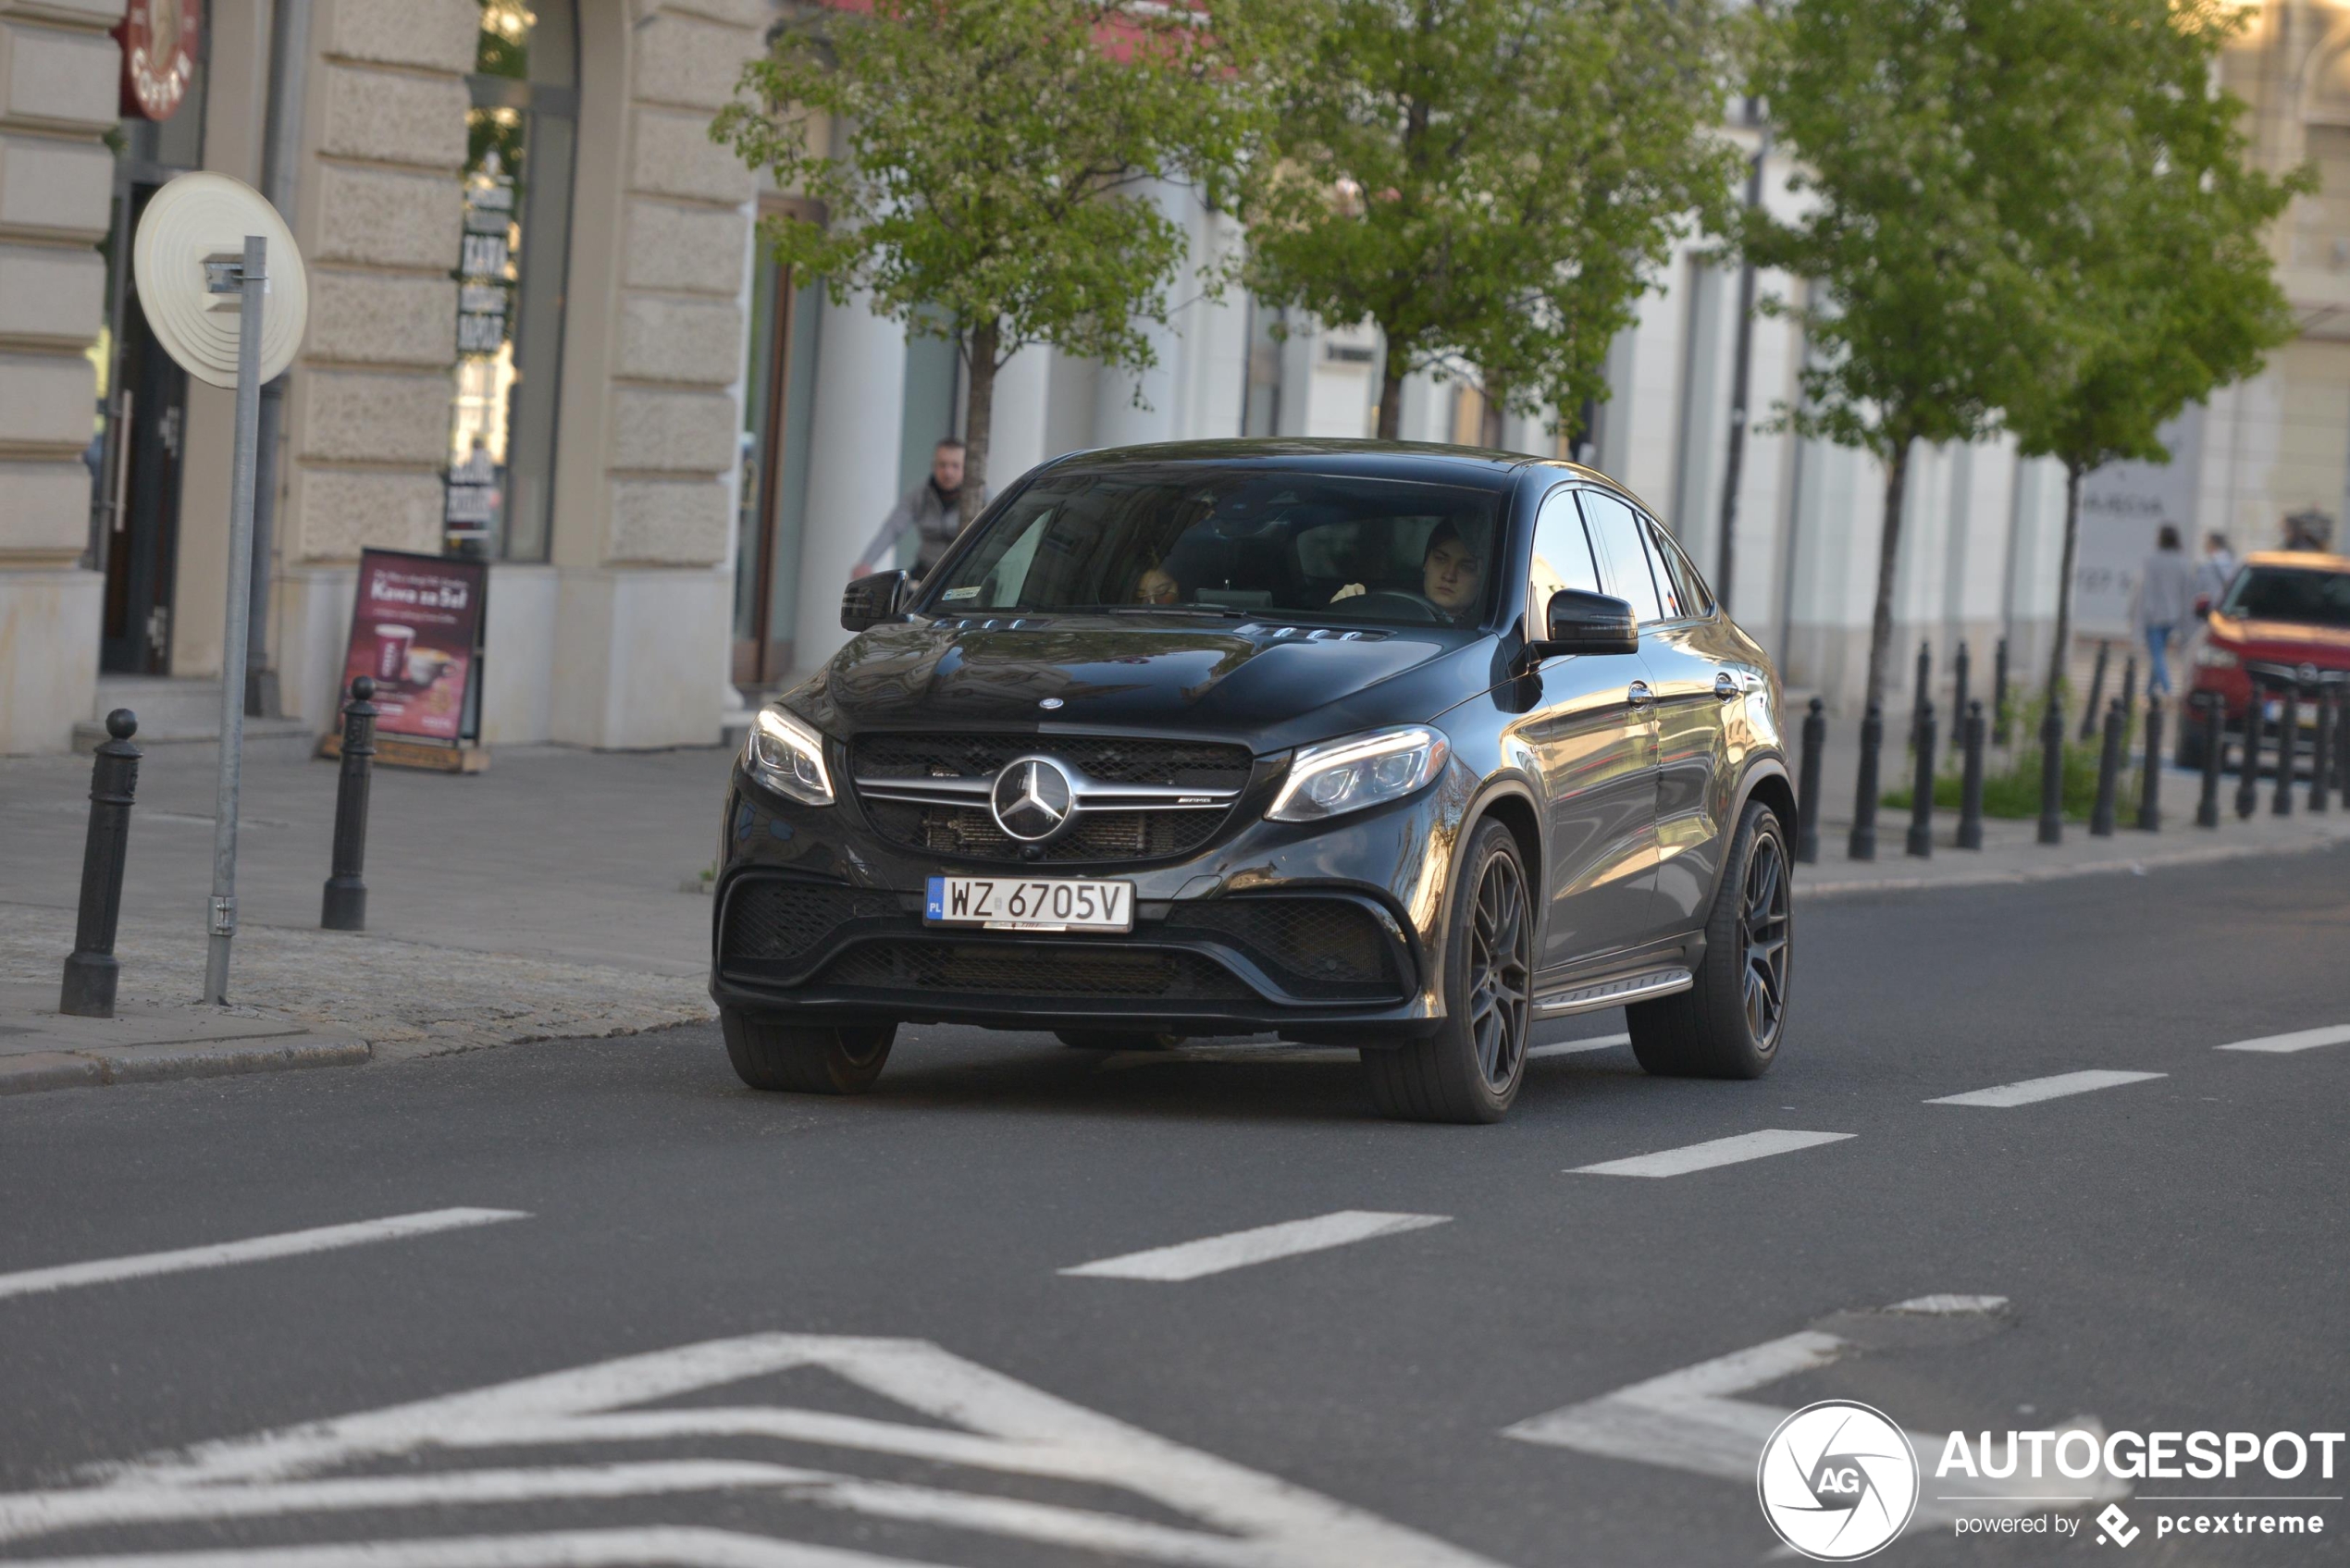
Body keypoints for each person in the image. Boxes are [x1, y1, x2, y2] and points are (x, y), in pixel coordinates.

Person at [852, 438, 972, 580]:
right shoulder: (919, 495)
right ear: (933, 466)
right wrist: (867, 562)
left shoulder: (978, 497)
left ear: (966, 468)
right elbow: (893, 528)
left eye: (955, 466)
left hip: (964, 573)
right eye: (942, 465)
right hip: (927, 571)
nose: (948, 472)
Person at [1331, 521, 1486, 622]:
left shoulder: (1488, 631)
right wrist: (1345, 607)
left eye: (1466, 567)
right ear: (1426, 563)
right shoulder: (1386, 610)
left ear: (1482, 578)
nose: (1449, 575)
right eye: (1440, 559)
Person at [2134, 524, 2195, 696]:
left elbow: (2145, 591)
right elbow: (2187, 592)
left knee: (2157, 654)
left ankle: (2167, 689)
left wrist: (2140, 619)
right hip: (2175, 615)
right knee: (2158, 653)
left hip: (2154, 615)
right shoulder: (2183, 562)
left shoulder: (2151, 561)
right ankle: (2149, 690)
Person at [2195, 531, 2234, 610]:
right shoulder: (2232, 564)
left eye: (2207, 543)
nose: (2205, 545)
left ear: (2213, 544)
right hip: (2226, 608)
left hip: (2211, 607)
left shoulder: (2207, 567)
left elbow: (2199, 591)